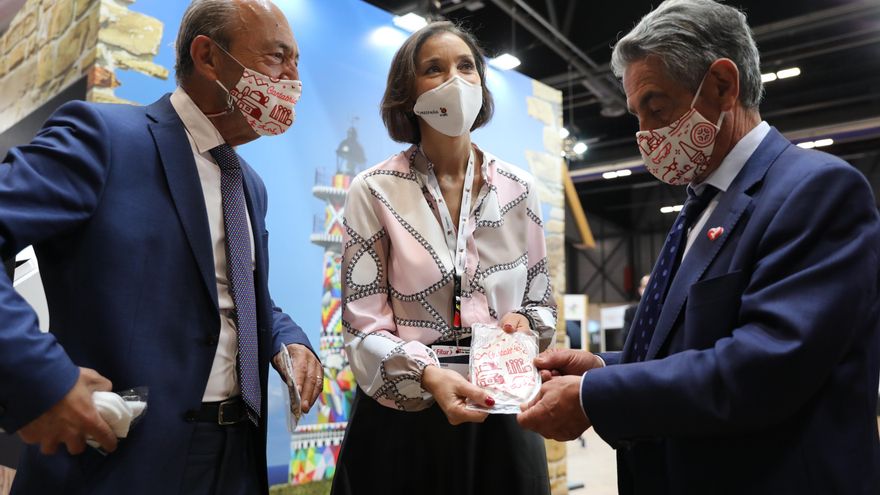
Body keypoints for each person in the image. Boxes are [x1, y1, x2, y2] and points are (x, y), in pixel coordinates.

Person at [517, 0, 880, 493]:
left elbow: (763, 368)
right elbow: (688, 345)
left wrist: (593, 396)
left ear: (723, 86)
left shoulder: (816, 191)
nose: (644, 134)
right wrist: (603, 366)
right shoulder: (701, 204)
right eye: (636, 114)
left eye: (657, 107)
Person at [0, 1, 323, 493]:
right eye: (278, 57)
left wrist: (288, 338)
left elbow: (236, 292)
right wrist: (41, 380)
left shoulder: (249, 184)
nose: (293, 79)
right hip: (120, 460)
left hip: (237, 458)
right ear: (208, 57)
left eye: (297, 62)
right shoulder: (103, 138)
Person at [331, 21, 556, 495]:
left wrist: (522, 322)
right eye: (434, 69)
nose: (455, 80)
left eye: (466, 66)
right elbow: (363, 325)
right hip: (406, 420)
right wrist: (428, 374)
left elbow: (541, 304)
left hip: (500, 408)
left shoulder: (519, 189)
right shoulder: (374, 190)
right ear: (406, 92)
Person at [620, 274, 649, 344]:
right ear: (640, 290)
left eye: (651, 285)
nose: (649, 288)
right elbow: (625, 338)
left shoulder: (665, 311)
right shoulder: (630, 312)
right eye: (645, 286)